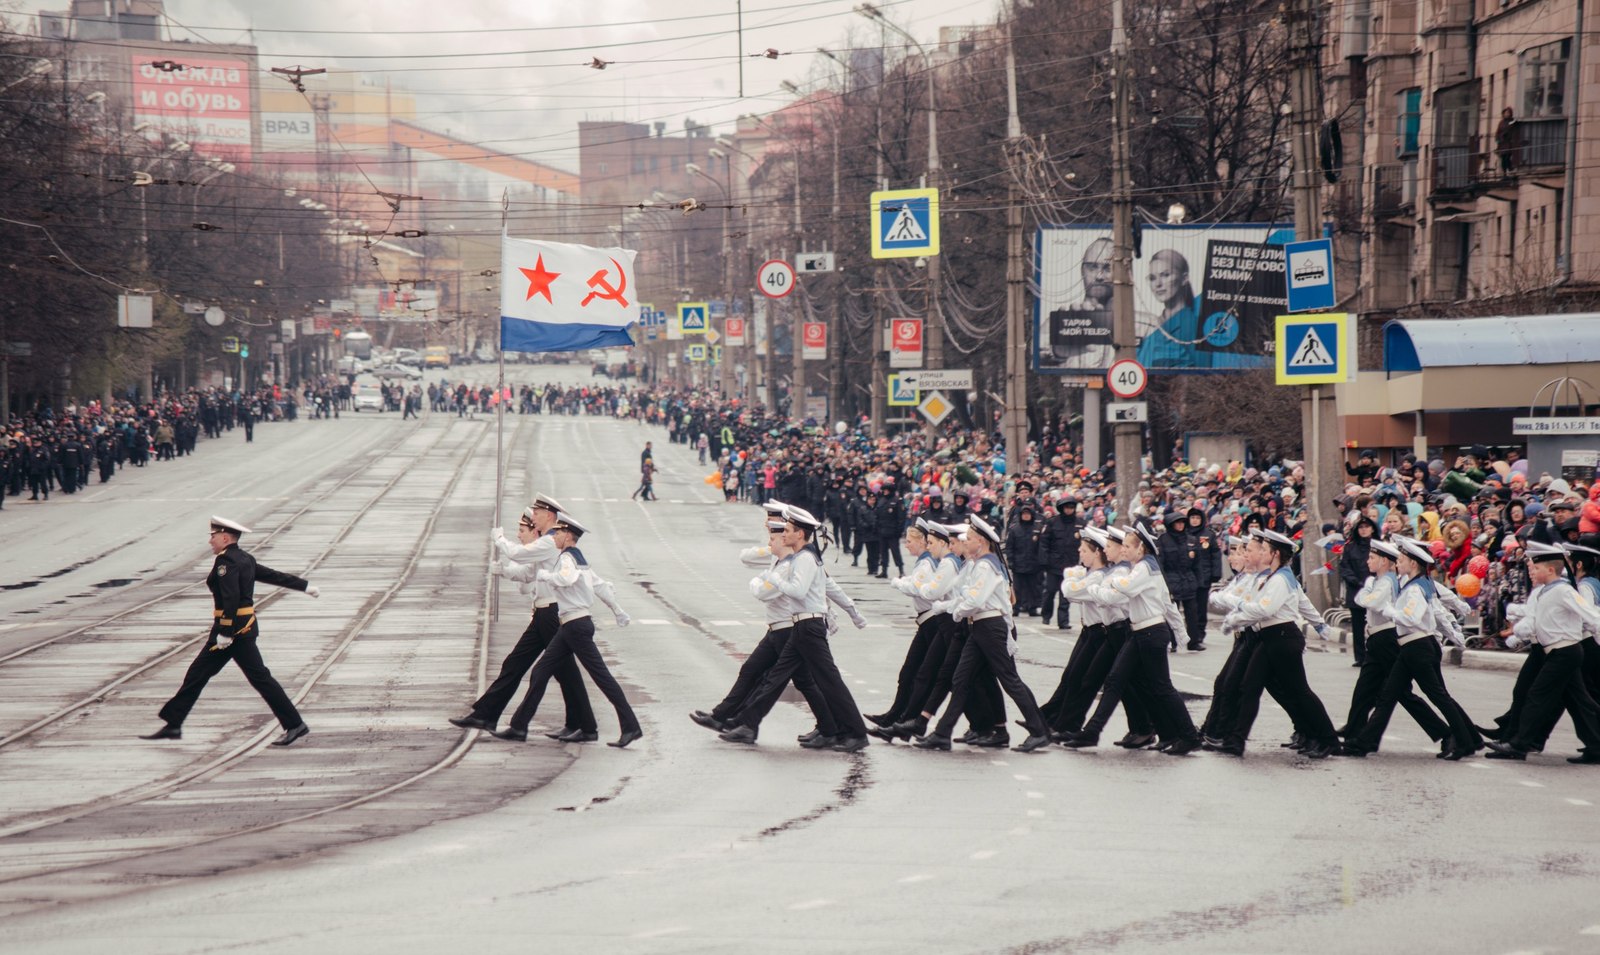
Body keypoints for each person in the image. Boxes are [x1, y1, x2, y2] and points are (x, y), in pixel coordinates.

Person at [141, 516, 319, 746]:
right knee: (198, 674)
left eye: (213, 537)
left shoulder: (226, 563)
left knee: (258, 678)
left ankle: (294, 724)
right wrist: (304, 586)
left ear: (225, 537)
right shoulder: (244, 558)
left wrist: (225, 632)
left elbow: (230, 597)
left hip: (234, 632)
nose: (210, 542)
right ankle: (173, 723)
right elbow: (273, 575)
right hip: (238, 629)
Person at [692, 515, 866, 748]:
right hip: (800, 626)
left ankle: (855, 733)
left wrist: (773, 578)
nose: (784, 535)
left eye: (789, 530)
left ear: (800, 534)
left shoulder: (804, 559)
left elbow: (799, 590)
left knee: (828, 681)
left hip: (809, 626)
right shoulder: (800, 558)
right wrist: (854, 613)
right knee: (775, 678)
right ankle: (746, 723)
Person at [449, 496, 598, 741]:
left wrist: (499, 540)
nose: (534, 518)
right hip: (542, 613)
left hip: (551, 613)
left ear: (549, 515)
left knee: (564, 672)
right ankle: (486, 714)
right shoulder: (547, 543)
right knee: (515, 664)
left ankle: (583, 725)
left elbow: (519, 555)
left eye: (537, 514)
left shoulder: (550, 541)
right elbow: (529, 572)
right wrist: (504, 571)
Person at [491, 512, 641, 748]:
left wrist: (546, 576)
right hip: (569, 625)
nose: (555, 536)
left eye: (558, 532)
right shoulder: (578, 558)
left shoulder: (568, 559)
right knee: (540, 671)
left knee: (602, 677)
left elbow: (566, 578)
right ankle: (519, 726)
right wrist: (618, 611)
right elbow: (600, 587)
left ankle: (631, 726)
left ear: (568, 536)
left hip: (576, 626)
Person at [913, 516, 1053, 753]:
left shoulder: (987, 566)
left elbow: (975, 600)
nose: (964, 543)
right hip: (980, 626)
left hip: (990, 626)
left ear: (981, 541)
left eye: (968, 539)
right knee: (960, 679)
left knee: (1009, 679)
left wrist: (956, 611)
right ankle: (942, 733)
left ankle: (1039, 730)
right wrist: (953, 607)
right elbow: (969, 598)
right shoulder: (980, 564)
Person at [1062, 525, 1202, 754]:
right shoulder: (1143, 568)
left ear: (1141, 548)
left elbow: (1123, 590)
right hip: (1141, 632)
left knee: (1161, 687)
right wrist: (1181, 633)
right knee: (1118, 681)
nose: (1124, 549)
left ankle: (1188, 735)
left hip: (1150, 632)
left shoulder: (1143, 569)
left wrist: (1100, 584)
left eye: (1128, 545)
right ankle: (1093, 732)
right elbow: (1166, 602)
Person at [1343, 537, 1481, 759]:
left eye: (1402, 559)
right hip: (1411, 646)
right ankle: (1364, 741)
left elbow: (1413, 617)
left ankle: (1464, 740)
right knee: (1389, 696)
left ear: (1413, 563)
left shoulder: (1416, 587)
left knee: (1436, 696)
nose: (1399, 562)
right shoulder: (1415, 584)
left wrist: (1389, 611)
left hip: (1418, 646)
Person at [1212, 529, 1342, 758]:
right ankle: (1236, 740)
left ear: (1275, 554)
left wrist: (1239, 607)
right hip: (1270, 637)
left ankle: (1328, 739)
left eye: (1264, 549)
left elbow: (1265, 609)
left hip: (1283, 637)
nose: (1260, 552)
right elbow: (1280, 606)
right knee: (1250, 686)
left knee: (1299, 692)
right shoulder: (1273, 577)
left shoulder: (1281, 578)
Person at [1484, 541, 1600, 762]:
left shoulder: (1564, 591)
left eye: (1536, 568)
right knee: (1580, 701)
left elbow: (1592, 616)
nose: (1532, 571)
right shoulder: (1547, 591)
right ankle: (1596, 746)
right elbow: (1535, 622)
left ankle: (1519, 745)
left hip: (1565, 651)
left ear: (1550, 569)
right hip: (1558, 652)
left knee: (1537, 696)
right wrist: (1517, 633)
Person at [1038, 496, 1083, 630]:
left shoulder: (1080, 523)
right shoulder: (1052, 522)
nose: (1069, 510)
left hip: (1071, 564)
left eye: (1071, 507)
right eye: (1066, 507)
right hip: (1054, 563)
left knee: (1065, 594)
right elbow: (1044, 542)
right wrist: (1044, 561)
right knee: (1050, 591)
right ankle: (1046, 615)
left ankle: (1063, 621)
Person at [1340, 516, 1377, 666]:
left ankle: (1374, 655)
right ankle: (1360, 657)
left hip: (1375, 590)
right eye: (1361, 527)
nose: (1364, 530)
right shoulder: (1350, 547)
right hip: (1355, 590)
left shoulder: (1378, 546)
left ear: (1372, 529)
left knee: (1375, 625)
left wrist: (1372, 583)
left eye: (1367, 527)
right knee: (1357, 625)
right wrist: (1356, 581)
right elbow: (1344, 568)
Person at [1495, 106, 1521, 174]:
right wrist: (1499, 138)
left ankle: (1510, 168)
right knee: (1503, 158)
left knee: (1507, 157)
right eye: (1505, 113)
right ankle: (1504, 173)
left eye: (1508, 113)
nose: (1507, 114)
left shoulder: (1512, 121)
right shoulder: (1501, 122)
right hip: (1502, 143)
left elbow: (1514, 129)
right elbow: (1498, 132)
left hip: (1509, 143)